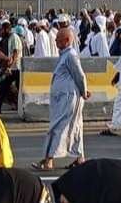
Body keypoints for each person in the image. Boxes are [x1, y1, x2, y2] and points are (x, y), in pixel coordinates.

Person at [34, 27, 88, 172]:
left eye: (58, 39)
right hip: (64, 98)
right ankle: (79, 158)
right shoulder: (64, 55)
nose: (56, 41)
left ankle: (49, 160)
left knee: (57, 127)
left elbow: (80, 75)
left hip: (69, 98)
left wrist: (83, 91)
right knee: (76, 127)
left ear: (67, 40)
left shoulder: (70, 55)